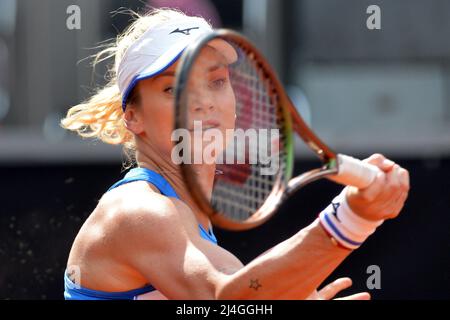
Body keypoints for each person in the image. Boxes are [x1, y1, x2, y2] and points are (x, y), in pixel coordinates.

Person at [60, 8, 409, 300]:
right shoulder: (139, 212)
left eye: (216, 81)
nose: (203, 101)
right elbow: (226, 301)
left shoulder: (185, 218)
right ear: (133, 116)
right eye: (173, 87)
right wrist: (353, 218)